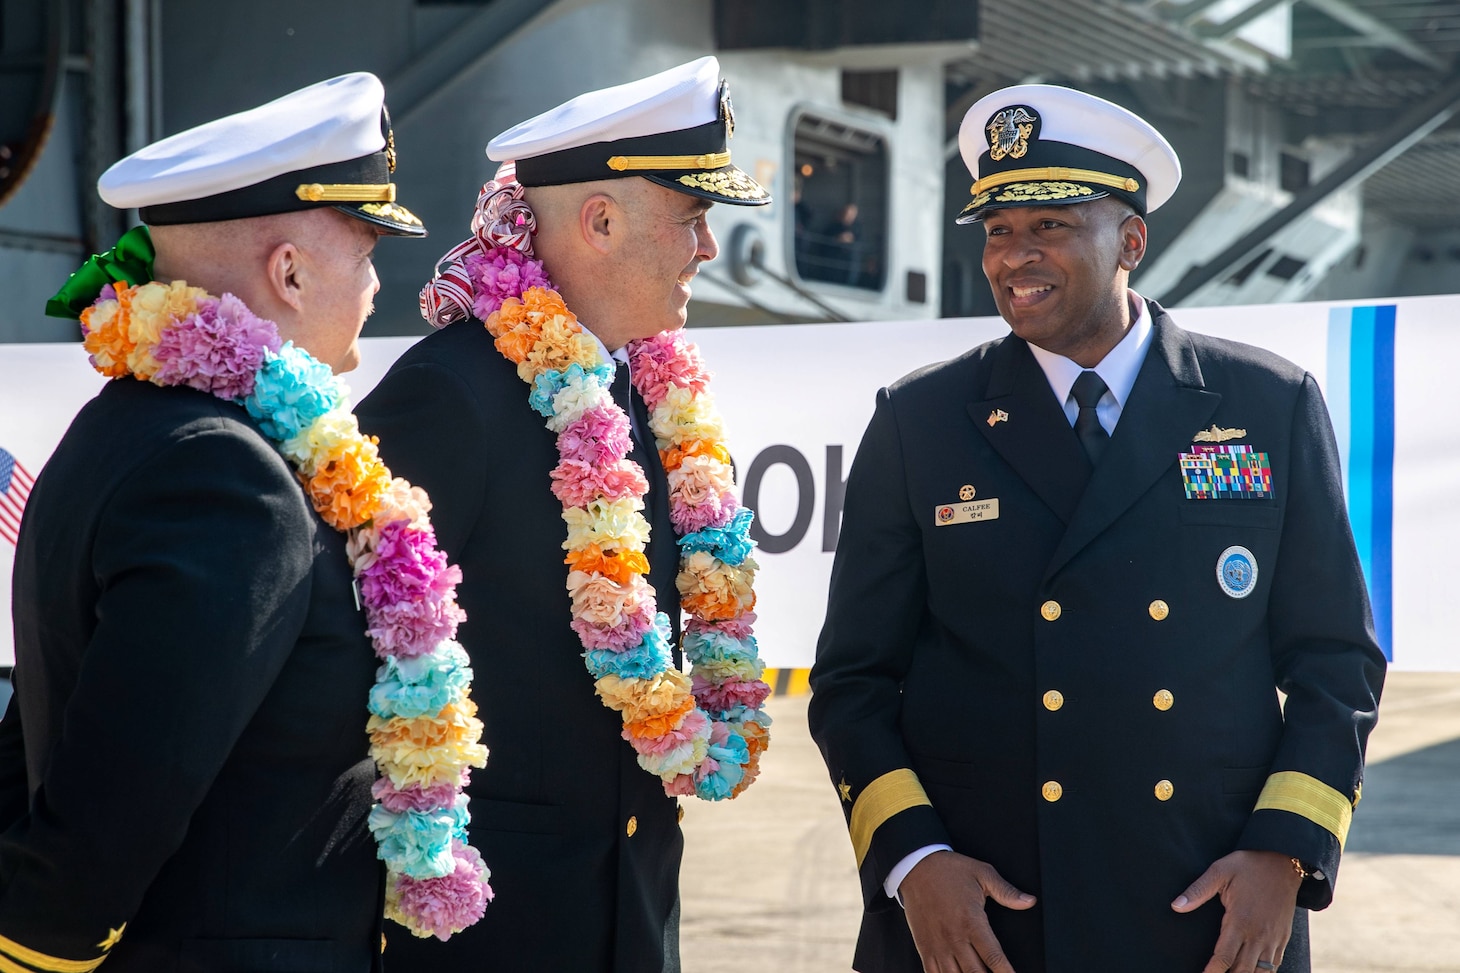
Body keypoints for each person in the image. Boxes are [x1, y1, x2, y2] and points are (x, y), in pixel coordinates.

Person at [808, 84, 1386, 973]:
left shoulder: (1267, 405)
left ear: (1132, 240)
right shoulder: (921, 418)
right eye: (998, 230)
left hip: (1205, 907)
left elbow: (1335, 661)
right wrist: (914, 862)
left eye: (1050, 226)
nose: (1014, 257)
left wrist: (1287, 851)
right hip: (984, 916)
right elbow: (853, 680)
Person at [0, 74, 492, 971]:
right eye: (366, 250)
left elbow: (48, 727)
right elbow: (119, 794)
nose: (379, 282)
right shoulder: (227, 476)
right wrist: (36, 951)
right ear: (290, 271)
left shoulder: (129, 423)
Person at [355, 56, 773, 972]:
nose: (707, 249)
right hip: (488, 930)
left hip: (630, 914)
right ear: (599, 220)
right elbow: (349, 664)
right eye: (693, 219)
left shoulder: (648, 395)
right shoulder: (448, 394)